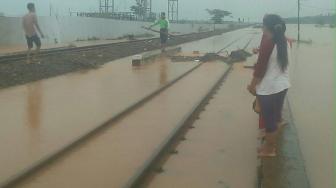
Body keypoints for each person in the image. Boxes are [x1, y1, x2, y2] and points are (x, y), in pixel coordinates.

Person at [248, 14, 291, 157]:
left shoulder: (268, 42)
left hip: (269, 88)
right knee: (276, 117)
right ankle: (270, 144)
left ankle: (269, 149)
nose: (262, 27)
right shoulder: (284, 41)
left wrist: (252, 85)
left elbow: (260, 69)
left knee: (270, 121)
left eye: (263, 24)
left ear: (267, 27)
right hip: (283, 85)